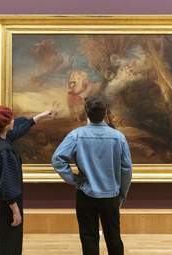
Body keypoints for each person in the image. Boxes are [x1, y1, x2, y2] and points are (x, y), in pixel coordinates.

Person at [52, 96, 132, 255]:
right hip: (111, 196)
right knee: (114, 237)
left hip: (86, 194)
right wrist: (122, 194)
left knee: (89, 238)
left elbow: (57, 159)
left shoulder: (76, 135)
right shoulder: (118, 137)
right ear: (105, 113)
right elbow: (126, 169)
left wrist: (73, 179)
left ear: (86, 113)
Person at [0, 106, 54, 255]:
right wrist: (16, 211)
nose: (14, 121)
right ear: (5, 125)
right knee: (7, 243)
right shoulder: (3, 152)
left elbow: (16, 131)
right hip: (4, 208)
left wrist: (38, 117)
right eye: (10, 119)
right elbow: (6, 186)